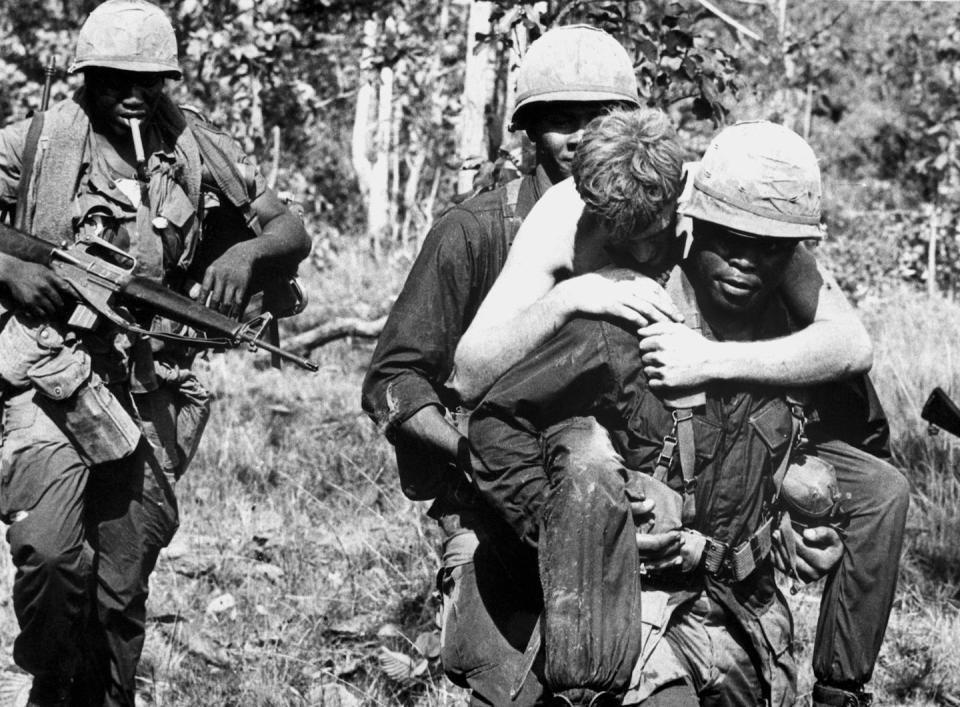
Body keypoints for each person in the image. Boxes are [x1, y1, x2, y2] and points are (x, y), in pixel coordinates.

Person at [453, 111, 908, 707]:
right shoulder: (617, 311)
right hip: (646, 610)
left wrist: (811, 525)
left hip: (742, 607)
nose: (747, 262)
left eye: (770, 250)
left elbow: (859, 409)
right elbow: (483, 400)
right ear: (697, 222)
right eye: (732, 243)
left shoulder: (792, 324)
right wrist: (574, 535)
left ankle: (841, 692)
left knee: (885, 488)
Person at [0, 2, 311, 705]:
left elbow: (290, 226)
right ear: (84, 78)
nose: (131, 95)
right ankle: (55, 680)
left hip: (154, 386)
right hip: (52, 372)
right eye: (112, 80)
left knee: (121, 577)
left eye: (149, 81)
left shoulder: (198, 147)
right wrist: (10, 269)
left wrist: (245, 250)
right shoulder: (37, 144)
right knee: (50, 554)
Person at [360, 25, 674, 706]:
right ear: (529, 130)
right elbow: (394, 379)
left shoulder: (654, 223)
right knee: (518, 686)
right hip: (492, 501)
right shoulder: (475, 231)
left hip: (622, 497)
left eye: (603, 120)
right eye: (563, 121)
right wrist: (462, 449)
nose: (583, 139)